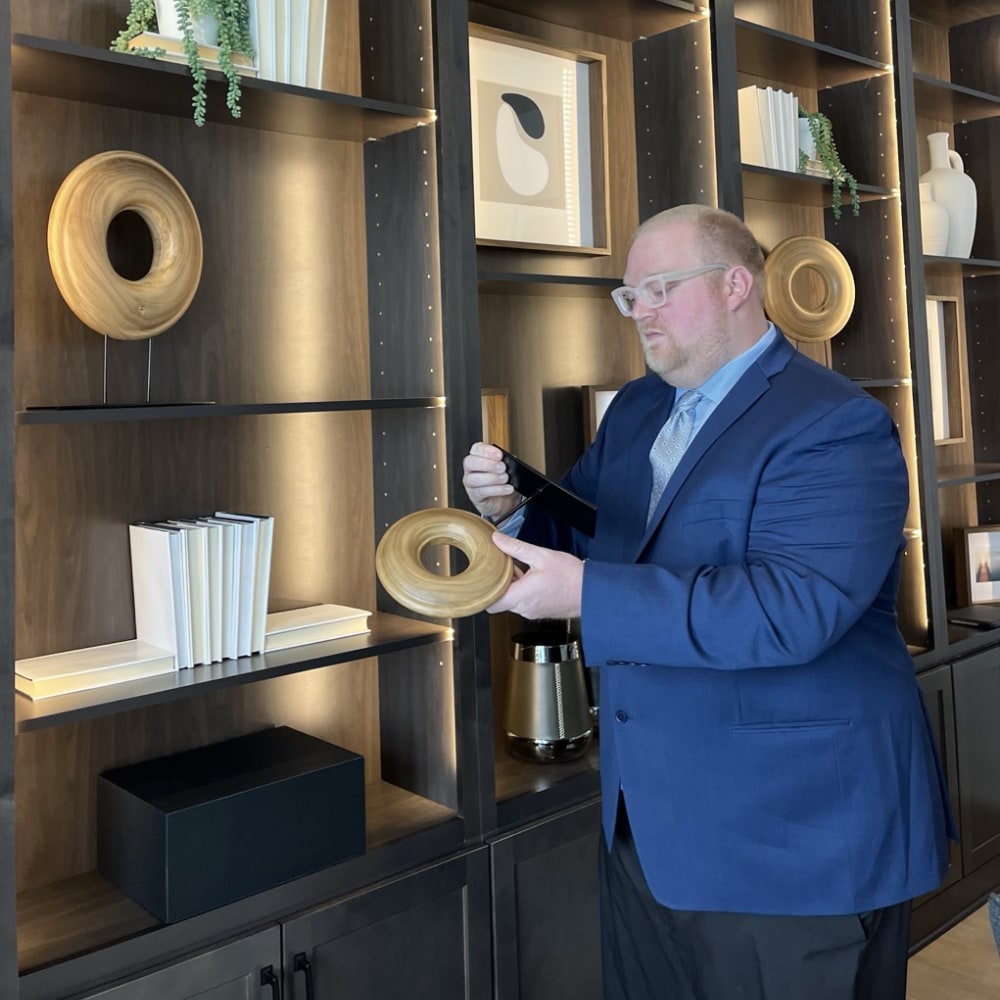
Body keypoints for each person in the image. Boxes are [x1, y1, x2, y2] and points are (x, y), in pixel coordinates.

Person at [462, 204, 954, 1000]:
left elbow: (794, 608)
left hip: (795, 841)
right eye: (630, 296)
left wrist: (586, 592)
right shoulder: (635, 410)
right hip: (647, 828)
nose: (640, 311)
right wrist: (513, 512)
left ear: (735, 284)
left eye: (659, 287)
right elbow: (598, 532)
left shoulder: (836, 422)